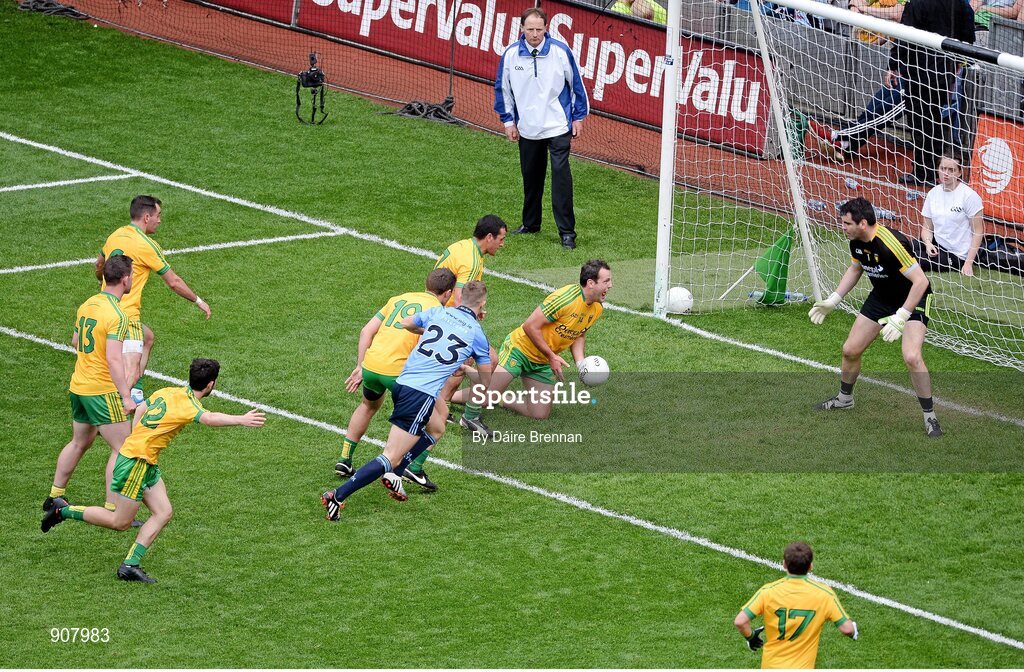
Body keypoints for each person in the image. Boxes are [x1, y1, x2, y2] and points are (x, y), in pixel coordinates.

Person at [41, 358, 266, 583]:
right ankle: (64, 511)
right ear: (210, 385)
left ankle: (130, 565)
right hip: (136, 463)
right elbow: (208, 418)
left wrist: (138, 435)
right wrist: (241, 419)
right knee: (120, 522)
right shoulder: (190, 405)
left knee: (163, 512)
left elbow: (141, 408)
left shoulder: (168, 391)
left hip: (144, 461)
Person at [321, 281, 493, 521]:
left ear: (459, 297)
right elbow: (485, 380)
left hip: (403, 383)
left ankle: (398, 473)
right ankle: (337, 496)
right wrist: (465, 368)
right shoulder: (477, 334)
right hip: (420, 394)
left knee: (437, 426)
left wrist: (434, 338)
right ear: (482, 305)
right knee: (390, 456)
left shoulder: (438, 312)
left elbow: (406, 323)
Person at [809, 197, 942, 437]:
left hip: (913, 298)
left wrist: (902, 315)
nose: (843, 227)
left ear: (862, 223)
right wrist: (834, 299)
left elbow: (921, 281)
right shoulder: (856, 241)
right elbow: (856, 268)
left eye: (847, 223)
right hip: (881, 298)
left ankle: (930, 417)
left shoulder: (891, 244)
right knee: (850, 350)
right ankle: (844, 399)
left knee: (911, 356)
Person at [335, 268, 457, 494]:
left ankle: (345, 458)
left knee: (368, 406)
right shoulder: (438, 311)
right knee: (438, 422)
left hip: (371, 365)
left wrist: (360, 366)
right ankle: (414, 467)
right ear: (448, 292)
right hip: (403, 374)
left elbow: (366, 331)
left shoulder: (398, 299)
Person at [454, 260, 611, 423]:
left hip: (542, 361)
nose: (610, 285)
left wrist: (581, 364)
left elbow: (579, 333)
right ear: (591, 283)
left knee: (539, 414)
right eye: (606, 281)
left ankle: (501, 398)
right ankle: (446, 396)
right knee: (485, 399)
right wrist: (551, 356)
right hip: (520, 350)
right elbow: (530, 326)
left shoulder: (597, 308)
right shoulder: (565, 299)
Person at [45, 254, 137, 515]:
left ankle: (55, 495)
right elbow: (113, 359)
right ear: (125, 279)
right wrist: (126, 396)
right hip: (101, 391)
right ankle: (113, 507)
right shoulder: (118, 315)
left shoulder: (88, 304)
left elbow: (75, 341)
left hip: (79, 387)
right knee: (122, 448)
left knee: (79, 442)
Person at [98, 195, 211, 406]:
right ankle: (114, 407)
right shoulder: (146, 245)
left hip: (105, 308)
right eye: (158, 216)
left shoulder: (116, 235)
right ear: (147, 217)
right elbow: (173, 282)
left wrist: (103, 281)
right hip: (125, 317)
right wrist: (198, 301)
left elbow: (99, 265)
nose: (160, 220)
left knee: (148, 337)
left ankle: (134, 392)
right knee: (130, 372)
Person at [494, 7, 589, 250]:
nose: (535, 34)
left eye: (539, 29)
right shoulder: (511, 55)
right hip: (527, 129)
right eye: (530, 29)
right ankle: (531, 223)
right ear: (522, 29)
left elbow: (576, 85)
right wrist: (508, 122)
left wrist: (578, 118)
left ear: (546, 28)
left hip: (558, 127)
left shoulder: (560, 51)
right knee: (531, 178)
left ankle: (567, 233)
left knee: (561, 179)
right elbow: (503, 90)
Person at [887, 0, 974, 185]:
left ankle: (923, 171)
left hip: (919, 70)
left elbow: (905, 35)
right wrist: (959, 60)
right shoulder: (959, 3)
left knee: (919, 122)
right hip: (946, 71)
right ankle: (935, 168)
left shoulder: (918, 2)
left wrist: (893, 64)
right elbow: (968, 30)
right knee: (935, 120)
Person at [734, 541, 858, 669]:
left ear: (784, 564)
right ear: (810, 566)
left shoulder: (768, 592)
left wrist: (751, 637)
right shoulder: (824, 594)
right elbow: (847, 629)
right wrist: (853, 630)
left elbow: (740, 621)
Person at [912, 154, 984, 275]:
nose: (946, 173)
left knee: (916, 261)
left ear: (959, 173)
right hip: (936, 244)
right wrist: (928, 243)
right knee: (904, 247)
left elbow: (978, 232)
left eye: (951, 170)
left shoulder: (969, 196)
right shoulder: (932, 193)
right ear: (937, 169)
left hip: (956, 255)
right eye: (943, 168)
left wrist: (968, 263)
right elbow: (927, 227)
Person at [434, 215, 507, 308]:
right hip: (444, 314)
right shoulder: (471, 262)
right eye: (501, 239)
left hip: (431, 307)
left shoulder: (462, 245)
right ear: (489, 237)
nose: (502, 244)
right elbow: (459, 301)